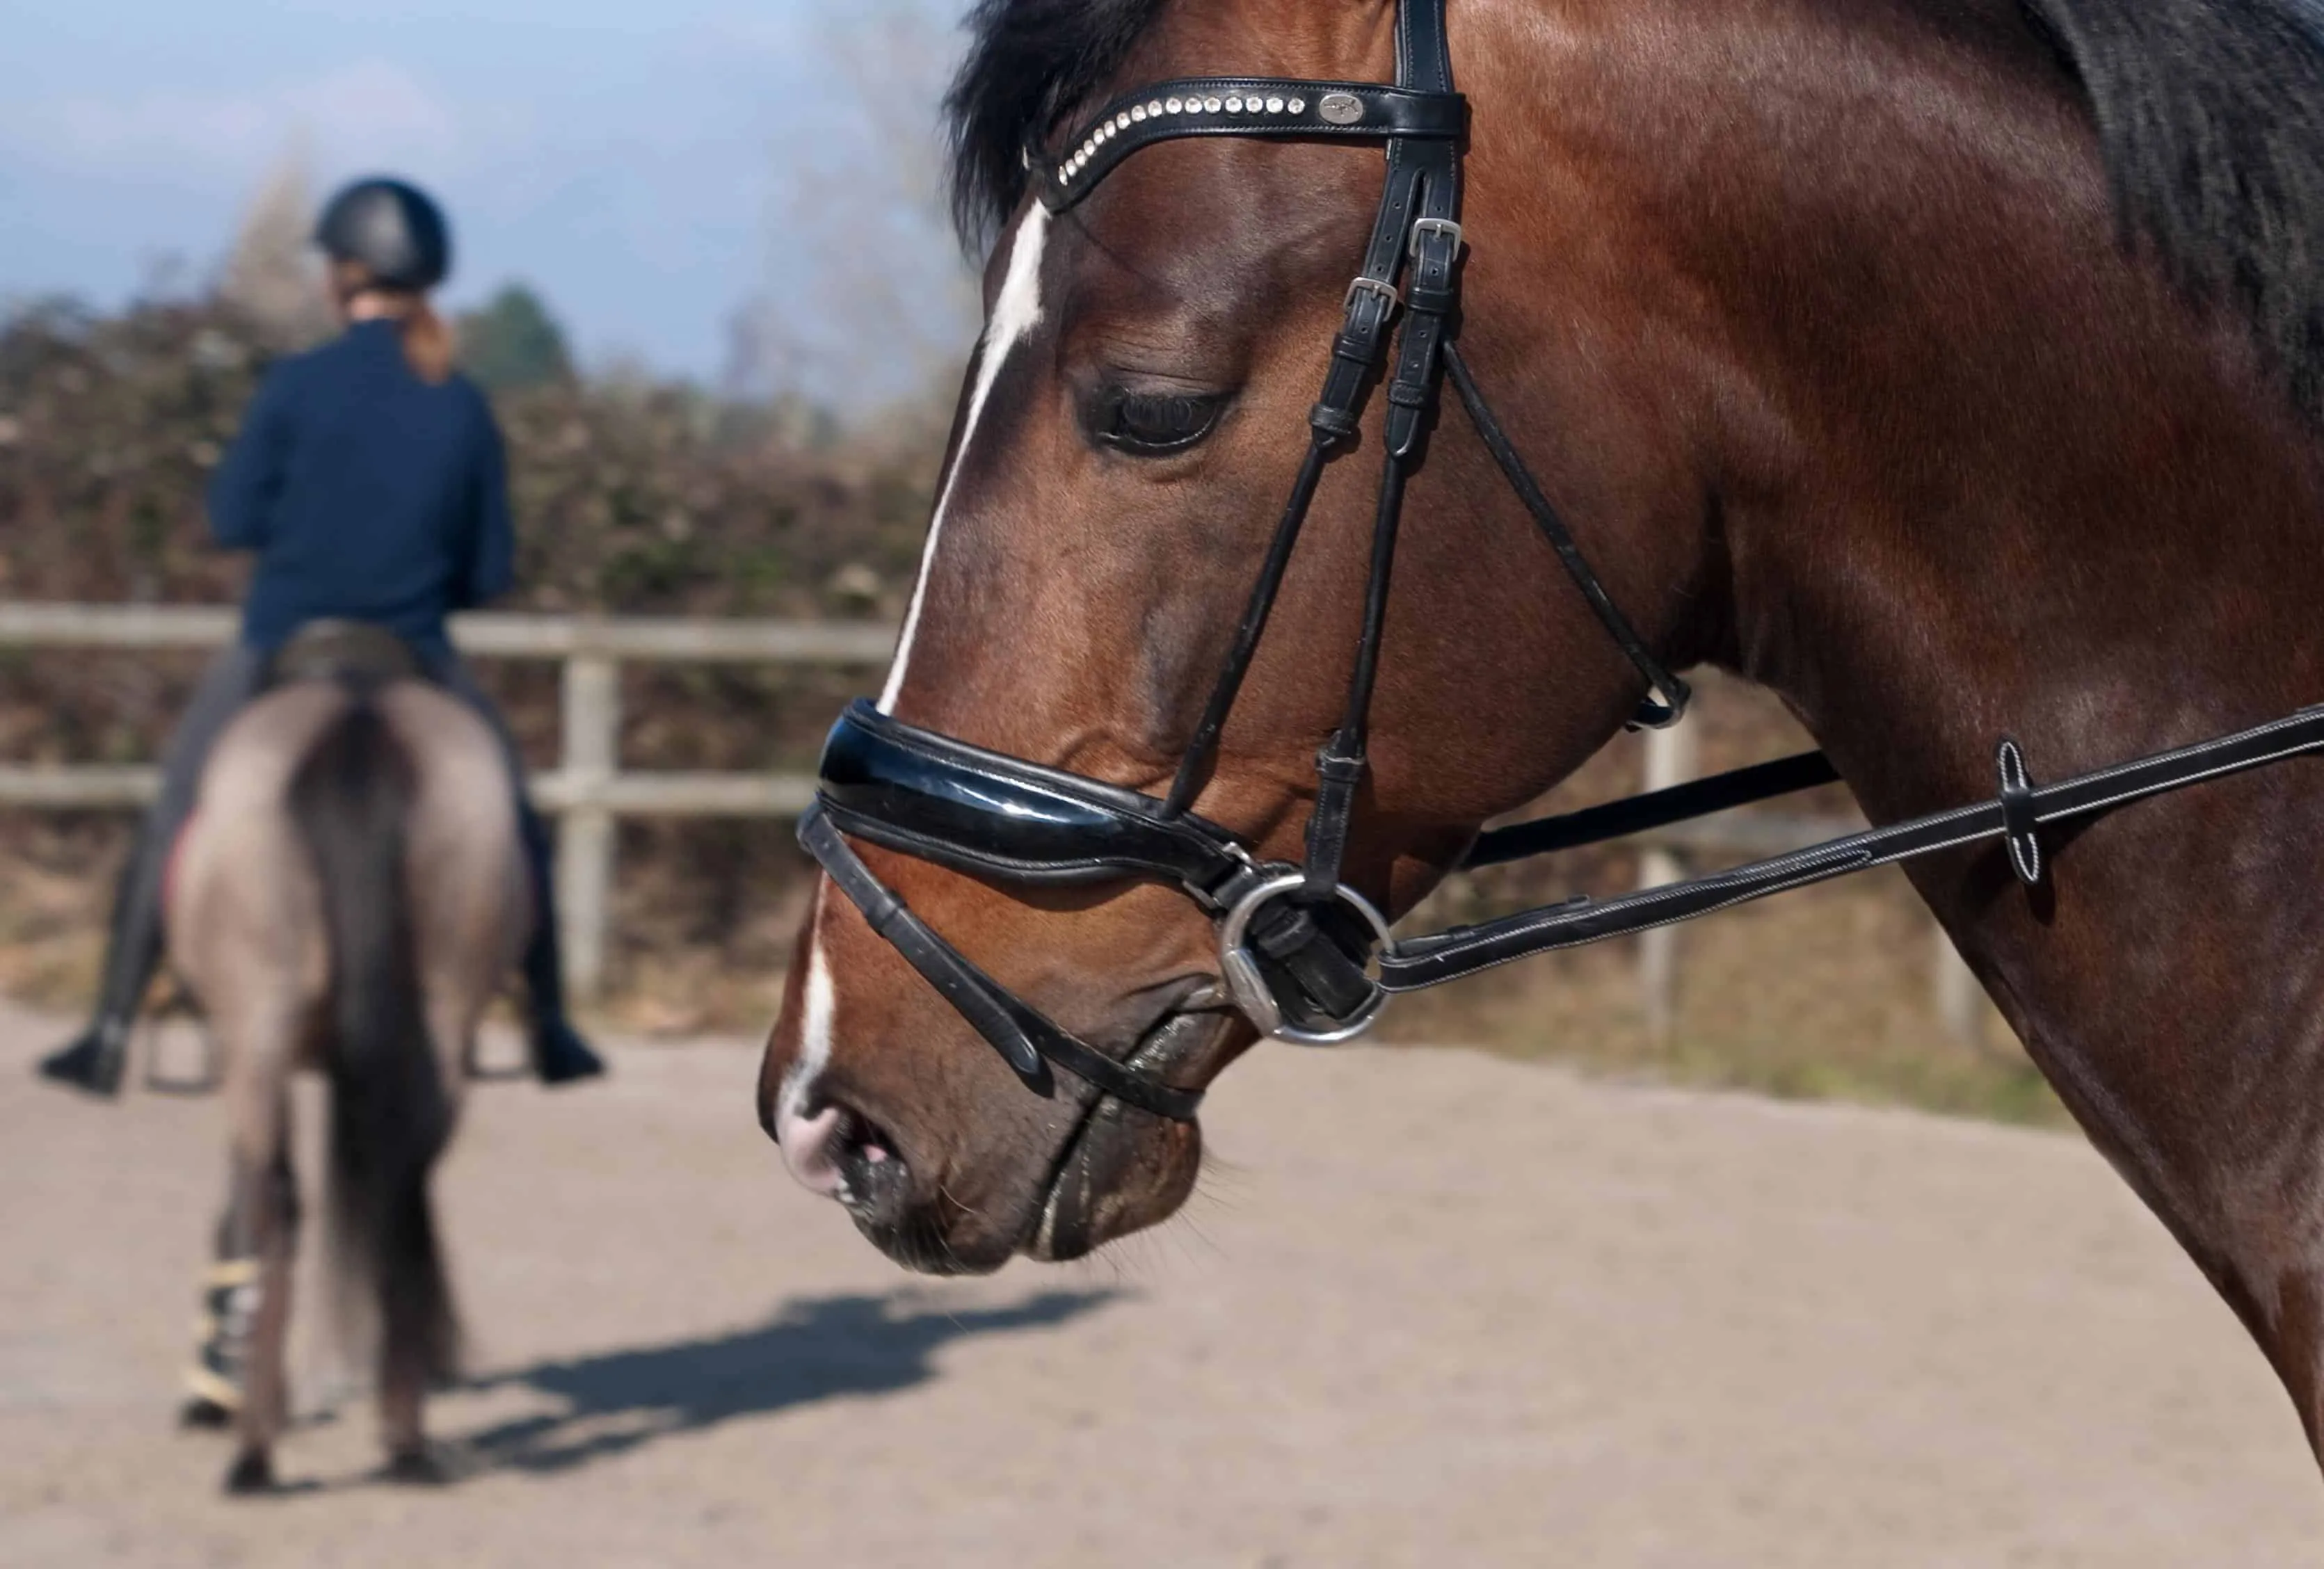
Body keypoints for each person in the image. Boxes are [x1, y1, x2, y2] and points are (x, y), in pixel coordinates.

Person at [40, 177, 604, 1095]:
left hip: (282, 644)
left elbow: (229, 518)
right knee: (511, 812)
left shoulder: (296, 383)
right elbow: (490, 569)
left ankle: (105, 1031)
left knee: (177, 810)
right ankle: (551, 1025)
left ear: (344, 275)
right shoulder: (459, 401)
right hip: (413, 652)